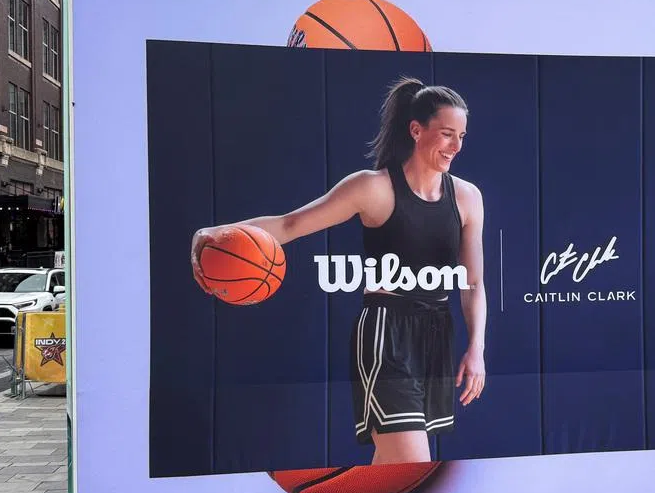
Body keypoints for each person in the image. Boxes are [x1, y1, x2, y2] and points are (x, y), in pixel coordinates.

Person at [190, 77, 487, 466]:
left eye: (461, 136)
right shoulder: (373, 188)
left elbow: (474, 283)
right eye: (447, 134)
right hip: (386, 334)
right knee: (412, 468)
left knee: (393, 471)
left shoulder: (467, 197)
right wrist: (216, 236)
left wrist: (476, 347)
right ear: (416, 130)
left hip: (435, 337)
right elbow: (291, 224)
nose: (456, 146)